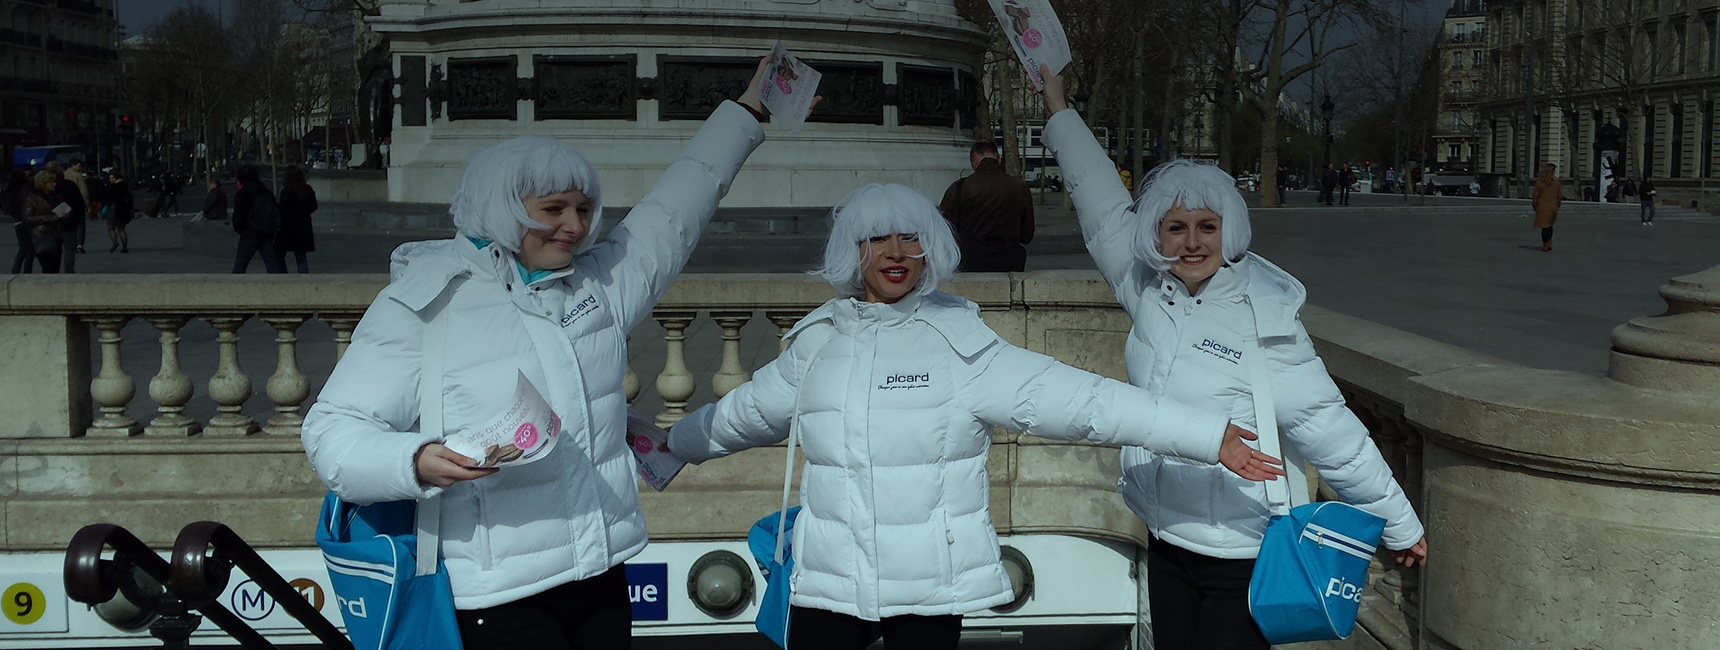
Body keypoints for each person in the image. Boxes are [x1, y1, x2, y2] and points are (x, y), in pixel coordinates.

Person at [300, 54, 785, 650]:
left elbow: (673, 215)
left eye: (583, 209)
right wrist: (415, 460)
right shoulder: (423, 306)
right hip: (496, 596)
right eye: (552, 210)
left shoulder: (597, 285)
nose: (576, 227)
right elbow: (332, 433)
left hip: (599, 575)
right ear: (501, 210)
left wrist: (749, 111)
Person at [667, 182, 1283, 650]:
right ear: (852, 251)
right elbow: (742, 415)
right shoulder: (817, 343)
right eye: (877, 239)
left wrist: (1208, 436)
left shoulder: (962, 345)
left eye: (911, 239)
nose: (896, 253)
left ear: (931, 248)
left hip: (933, 590)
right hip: (830, 583)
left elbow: (1087, 402)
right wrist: (669, 446)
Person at [1039, 68, 1426, 650]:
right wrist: (1058, 109)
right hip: (1167, 537)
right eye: (1176, 228)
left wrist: (1397, 524)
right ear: (1155, 236)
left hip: (1244, 553)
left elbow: (1330, 432)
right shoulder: (1148, 290)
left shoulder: (1263, 319)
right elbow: (1099, 205)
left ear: (1229, 231)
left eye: (1206, 227)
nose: (1191, 242)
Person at [937, 141, 1035, 272]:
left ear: (975, 160)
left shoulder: (960, 187)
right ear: (998, 158)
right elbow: (1027, 235)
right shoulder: (1019, 187)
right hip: (1010, 261)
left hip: (970, 260)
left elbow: (945, 228)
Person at [230, 165, 287, 274]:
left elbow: (238, 216)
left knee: (240, 266)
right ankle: (278, 287)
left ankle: (235, 288)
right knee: (272, 265)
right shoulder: (266, 192)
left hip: (249, 234)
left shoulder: (243, 194)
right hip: (266, 233)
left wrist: (241, 229)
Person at [274, 166, 318, 273]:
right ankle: (303, 281)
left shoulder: (286, 192)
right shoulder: (307, 190)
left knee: (278, 255)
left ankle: (283, 275)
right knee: (301, 258)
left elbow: (283, 211)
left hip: (288, 229)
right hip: (303, 228)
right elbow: (314, 206)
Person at [21, 171, 66, 273]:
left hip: (56, 235)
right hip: (42, 235)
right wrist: (49, 218)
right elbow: (28, 218)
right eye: (51, 182)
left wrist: (64, 214)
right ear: (43, 183)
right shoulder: (33, 198)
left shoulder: (56, 197)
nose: (54, 184)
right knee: (48, 268)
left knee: (55, 268)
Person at [44, 161, 84, 272]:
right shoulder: (69, 185)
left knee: (54, 250)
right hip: (69, 224)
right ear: (59, 169)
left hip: (51, 225)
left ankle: (53, 272)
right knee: (69, 250)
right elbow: (79, 203)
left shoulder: (44, 188)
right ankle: (68, 271)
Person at [6, 170, 32, 274]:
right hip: (25, 220)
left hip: (17, 221)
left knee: (22, 248)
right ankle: (27, 270)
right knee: (30, 249)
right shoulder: (25, 190)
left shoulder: (11, 192)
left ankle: (16, 269)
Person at [102, 170, 134, 253]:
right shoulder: (123, 186)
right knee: (121, 229)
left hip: (114, 208)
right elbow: (129, 198)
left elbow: (109, 197)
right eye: (110, 178)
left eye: (113, 178)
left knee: (110, 227)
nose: (111, 180)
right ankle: (124, 247)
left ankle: (115, 242)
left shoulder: (112, 187)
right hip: (123, 209)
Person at [64, 159, 91, 253]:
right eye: (79, 166)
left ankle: (72, 243)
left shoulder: (64, 174)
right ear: (73, 165)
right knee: (81, 224)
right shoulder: (78, 176)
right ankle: (79, 243)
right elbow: (84, 191)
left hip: (66, 204)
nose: (80, 168)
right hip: (77, 203)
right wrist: (87, 205)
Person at [1532, 163, 1561, 251]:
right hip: (1553, 207)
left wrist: (1535, 205)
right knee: (1549, 225)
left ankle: (1545, 244)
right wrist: (1558, 204)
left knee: (1544, 227)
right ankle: (1549, 242)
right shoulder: (1556, 183)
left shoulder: (1539, 183)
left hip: (1542, 207)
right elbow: (1559, 196)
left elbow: (1535, 196)